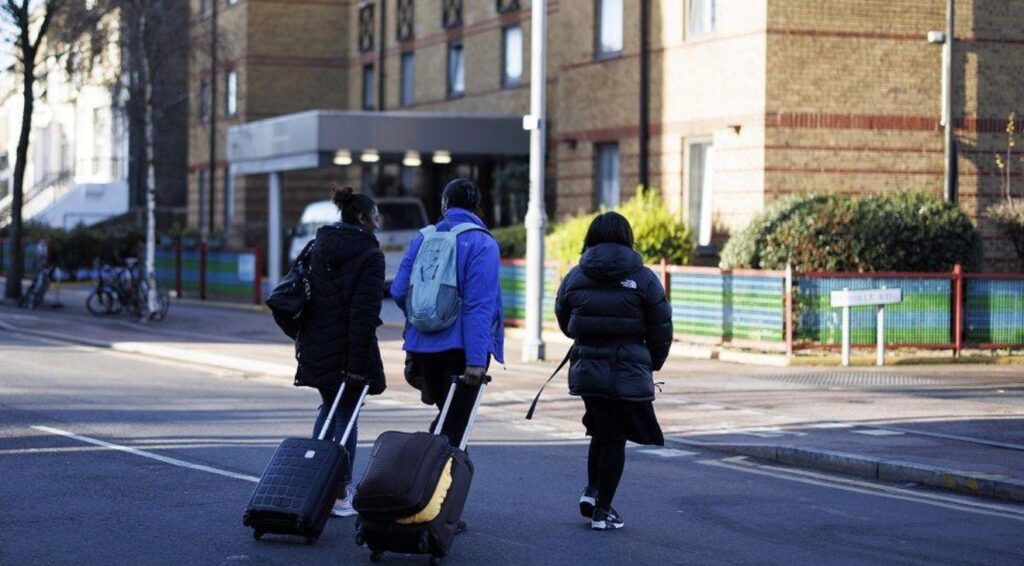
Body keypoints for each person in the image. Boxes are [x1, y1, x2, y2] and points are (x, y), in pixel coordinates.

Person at [554, 211, 673, 531]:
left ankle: (593, 493)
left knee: (600, 430)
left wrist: (587, 336)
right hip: (627, 368)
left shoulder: (576, 275)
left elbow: (564, 318)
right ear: (627, 238)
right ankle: (603, 511)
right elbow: (661, 326)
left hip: (587, 367)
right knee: (614, 438)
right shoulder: (645, 277)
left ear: (590, 238)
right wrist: (652, 361)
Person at [294, 185, 387, 518]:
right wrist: (357, 366)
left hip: (316, 345)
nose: (379, 222)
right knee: (347, 415)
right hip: (348, 350)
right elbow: (364, 315)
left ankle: (312, 478)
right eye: (375, 216)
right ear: (362, 218)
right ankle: (338, 492)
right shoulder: (370, 256)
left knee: (328, 408)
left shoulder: (320, 245)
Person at [391, 178, 504, 449]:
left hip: (423, 349)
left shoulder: (423, 238)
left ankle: (437, 484)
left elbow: (398, 290)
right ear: (477, 207)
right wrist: (476, 361)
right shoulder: (482, 243)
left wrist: (423, 319)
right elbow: (479, 306)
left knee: (449, 422)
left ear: (444, 205)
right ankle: (425, 483)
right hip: (462, 352)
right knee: (453, 430)